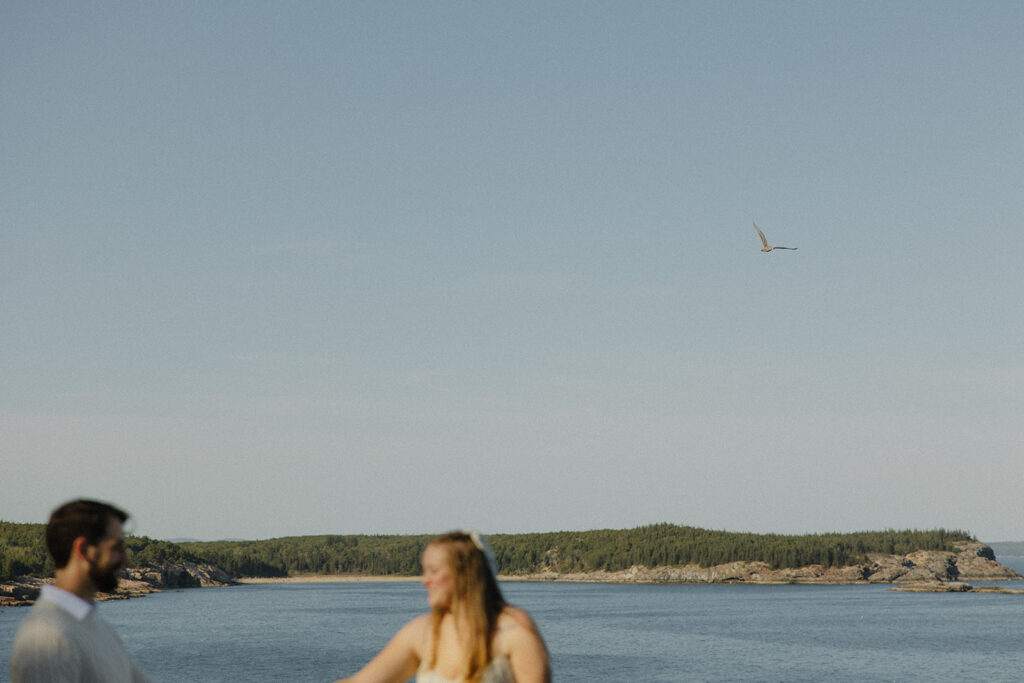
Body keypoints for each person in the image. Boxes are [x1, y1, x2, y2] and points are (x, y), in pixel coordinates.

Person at [336, 530, 551, 683]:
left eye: (434, 570)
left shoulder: (514, 634)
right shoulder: (423, 633)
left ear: (464, 573)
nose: (425, 580)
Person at [9, 499, 152, 683]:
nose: (124, 559)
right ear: (83, 550)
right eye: (115, 548)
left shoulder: (92, 626)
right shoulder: (46, 639)